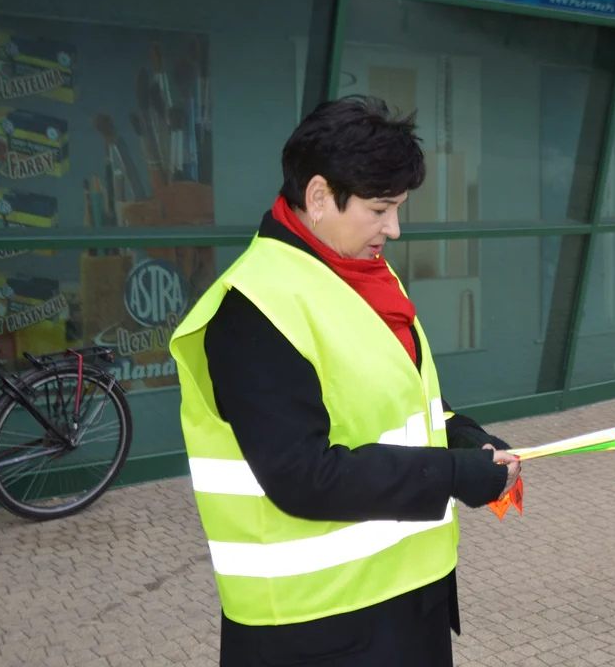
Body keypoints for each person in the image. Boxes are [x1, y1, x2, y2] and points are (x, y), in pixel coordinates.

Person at [169, 95, 522, 667]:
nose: (395, 229)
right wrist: (455, 474)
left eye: (398, 208)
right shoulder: (253, 310)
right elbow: (303, 476)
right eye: (380, 209)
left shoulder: (364, 276)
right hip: (313, 631)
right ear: (317, 198)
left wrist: (468, 438)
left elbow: (408, 397)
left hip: (405, 606)